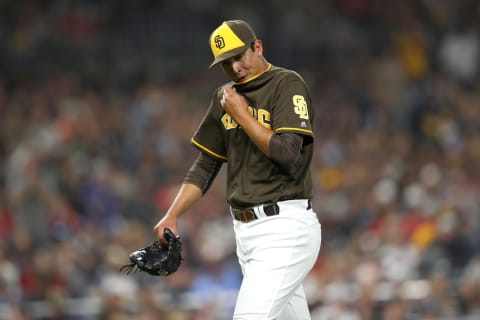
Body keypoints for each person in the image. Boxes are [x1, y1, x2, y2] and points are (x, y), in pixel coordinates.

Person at [154, 19, 321, 319]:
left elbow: (287, 153)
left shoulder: (286, 84)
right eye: (225, 63)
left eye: (238, 57)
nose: (234, 68)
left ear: (257, 47)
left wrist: (242, 115)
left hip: (284, 228)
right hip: (246, 235)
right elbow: (206, 164)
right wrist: (173, 214)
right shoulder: (225, 97)